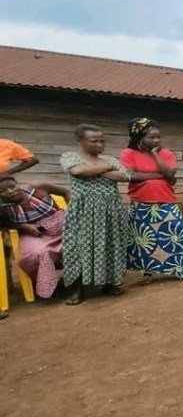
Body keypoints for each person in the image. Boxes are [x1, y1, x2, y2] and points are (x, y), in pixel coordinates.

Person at [120, 117, 183, 282]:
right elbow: (132, 175)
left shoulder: (165, 153)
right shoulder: (129, 153)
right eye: (152, 137)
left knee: (179, 234)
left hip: (166, 201)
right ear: (139, 137)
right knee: (144, 241)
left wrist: (154, 154)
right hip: (141, 203)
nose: (157, 140)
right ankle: (148, 272)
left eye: (159, 137)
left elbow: (170, 173)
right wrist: (160, 176)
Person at [61, 124, 133, 305]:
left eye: (102, 141)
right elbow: (77, 171)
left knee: (111, 245)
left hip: (111, 210)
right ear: (80, 140)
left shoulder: (109, 158)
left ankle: (110, 283)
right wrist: (107, 168)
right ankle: (77, 289)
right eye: (94, 141)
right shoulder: (70, 157)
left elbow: (124, 176)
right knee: (77, 248)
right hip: (83, 211)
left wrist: (94, 170)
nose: (99, 144)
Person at [0, 173, 69, 300]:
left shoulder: (37, 187)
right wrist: (23, 226)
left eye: (12, 187)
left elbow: (65, 192)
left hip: (59, 225)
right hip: (33, 233)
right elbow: (5, 224)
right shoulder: (3, 207)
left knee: (81, 240)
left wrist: (72, 212)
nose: (10, 192)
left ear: (16, 183)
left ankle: (87, 280)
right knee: (34, 254)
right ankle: (46, 285)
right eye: (2, 191)